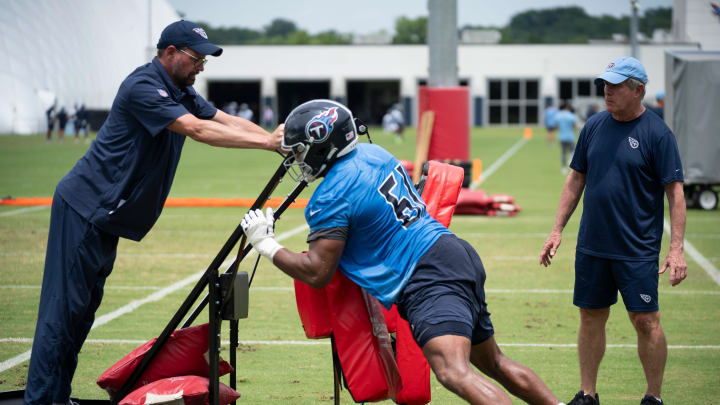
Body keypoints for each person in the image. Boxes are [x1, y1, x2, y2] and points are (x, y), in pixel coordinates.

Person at [25, 20, 283, 405]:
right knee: (63, 314)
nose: (201, 67)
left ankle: (55, 396)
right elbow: (196, 130)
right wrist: (265, 143)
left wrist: (276, 137)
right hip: (85, 207)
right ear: (169, 54)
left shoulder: (181, 89)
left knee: (80, 315)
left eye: (204, 61)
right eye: (196, 59)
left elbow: (221, 119)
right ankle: (42, 400)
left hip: (106, 216)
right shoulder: (143, 86)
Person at [241, 99, 565, 405]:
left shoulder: (331, 194)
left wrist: (267, 244)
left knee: (454, 372)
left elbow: (317, 271)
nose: (298, 159)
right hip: (451, 251)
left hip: (426, 276)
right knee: (494, 362)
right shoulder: (375, 154)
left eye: (301, 151)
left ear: (322, 145)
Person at [539, 56, 687, 405]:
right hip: (592, 245)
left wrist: (676, 248)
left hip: (636, 248)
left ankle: (653, 397)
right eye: (605, 84)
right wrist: (557, 229)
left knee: (645, 321)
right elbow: (576, 178)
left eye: (616, 85)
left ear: (639, 90)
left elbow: (675, 193)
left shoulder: (658, 134)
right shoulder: (593, 126)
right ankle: (587, 394)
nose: (607, 91)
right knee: (591, 317)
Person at [554, 103, 578, 174]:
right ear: (568, 108)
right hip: (570, 136)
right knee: (573, 151)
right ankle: (571, 163)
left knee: (563, 153)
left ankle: (563, 168)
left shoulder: (558, 115)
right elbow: (574, 126)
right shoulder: (571, 116)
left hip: (562, 137)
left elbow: (555, 126)